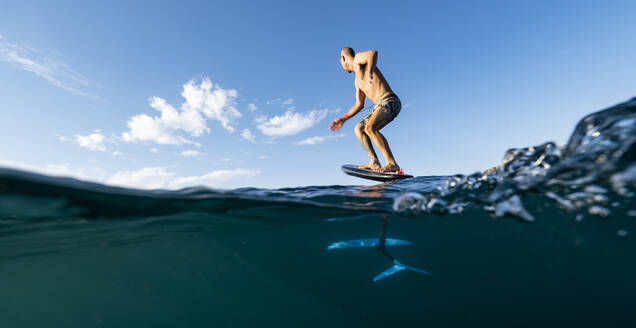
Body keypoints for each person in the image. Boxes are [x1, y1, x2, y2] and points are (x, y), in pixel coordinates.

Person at [329, 47, 402, 173]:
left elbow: (373, 53)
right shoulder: (357, 81)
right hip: (379, 106)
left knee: (370, 128)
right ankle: (374, 161)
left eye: (341, 63)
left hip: (390, 101)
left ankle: (392, 163)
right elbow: (359, 104)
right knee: (359, 129)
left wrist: (369, 71)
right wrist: (343, 118)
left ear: (343, 58)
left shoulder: (358, 60)